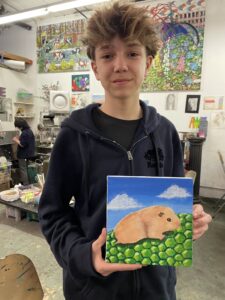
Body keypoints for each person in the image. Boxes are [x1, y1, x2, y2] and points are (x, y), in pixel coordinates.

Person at [38, 2, 212, 300]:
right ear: (95, 66)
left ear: (149, 62)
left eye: (132, 53)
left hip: (156, 290)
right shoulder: (72, 136)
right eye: (107, 55)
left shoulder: (166, 133)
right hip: (93, 290)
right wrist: (84, 256)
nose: (120, 64)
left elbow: (175, 198)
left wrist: (192, 219)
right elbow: (52, 213)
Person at [12, 118, 35, 185]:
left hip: (23, 155)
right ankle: (29, 184)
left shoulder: (25, 133)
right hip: (29, 154)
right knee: (26, 169)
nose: (17, 128)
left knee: (23, 170)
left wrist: (15, 140)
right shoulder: (29, 131)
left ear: (21, 126)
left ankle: (26, 185)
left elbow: (22, 144)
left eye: (17, 126)